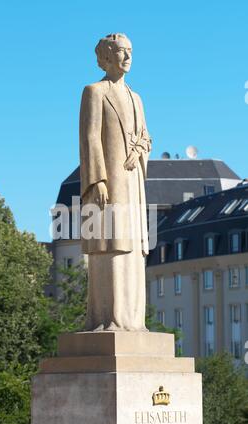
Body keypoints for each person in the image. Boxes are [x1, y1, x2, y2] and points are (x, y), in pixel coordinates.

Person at [79, 33, 151, 331]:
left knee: (132, 246)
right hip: (109, 181)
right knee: (109, 244)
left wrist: (139, 149)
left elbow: (146, 136)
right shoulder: (94, 92)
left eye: (131, 51)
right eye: (122, 51)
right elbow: (90, 137)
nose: (128, 57)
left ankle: (133, 321)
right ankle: (107, 318)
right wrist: (97, 181)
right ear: (107, 57)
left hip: (133, 183)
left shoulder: (136, 97)